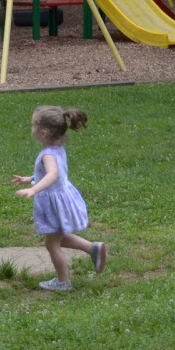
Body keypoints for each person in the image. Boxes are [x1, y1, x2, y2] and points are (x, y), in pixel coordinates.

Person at [12, 105, 106, 292]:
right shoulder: (57, 149)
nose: (31, 129)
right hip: (61, 197)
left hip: (54, 203)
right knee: (55, 238)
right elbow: (52, 174)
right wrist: (30, 178)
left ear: (44, 132)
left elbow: (53, 175)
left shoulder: (47, 154)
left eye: (33, 126)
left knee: (52, 244)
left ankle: (63, 281)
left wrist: (34, 189)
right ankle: (92, 249)